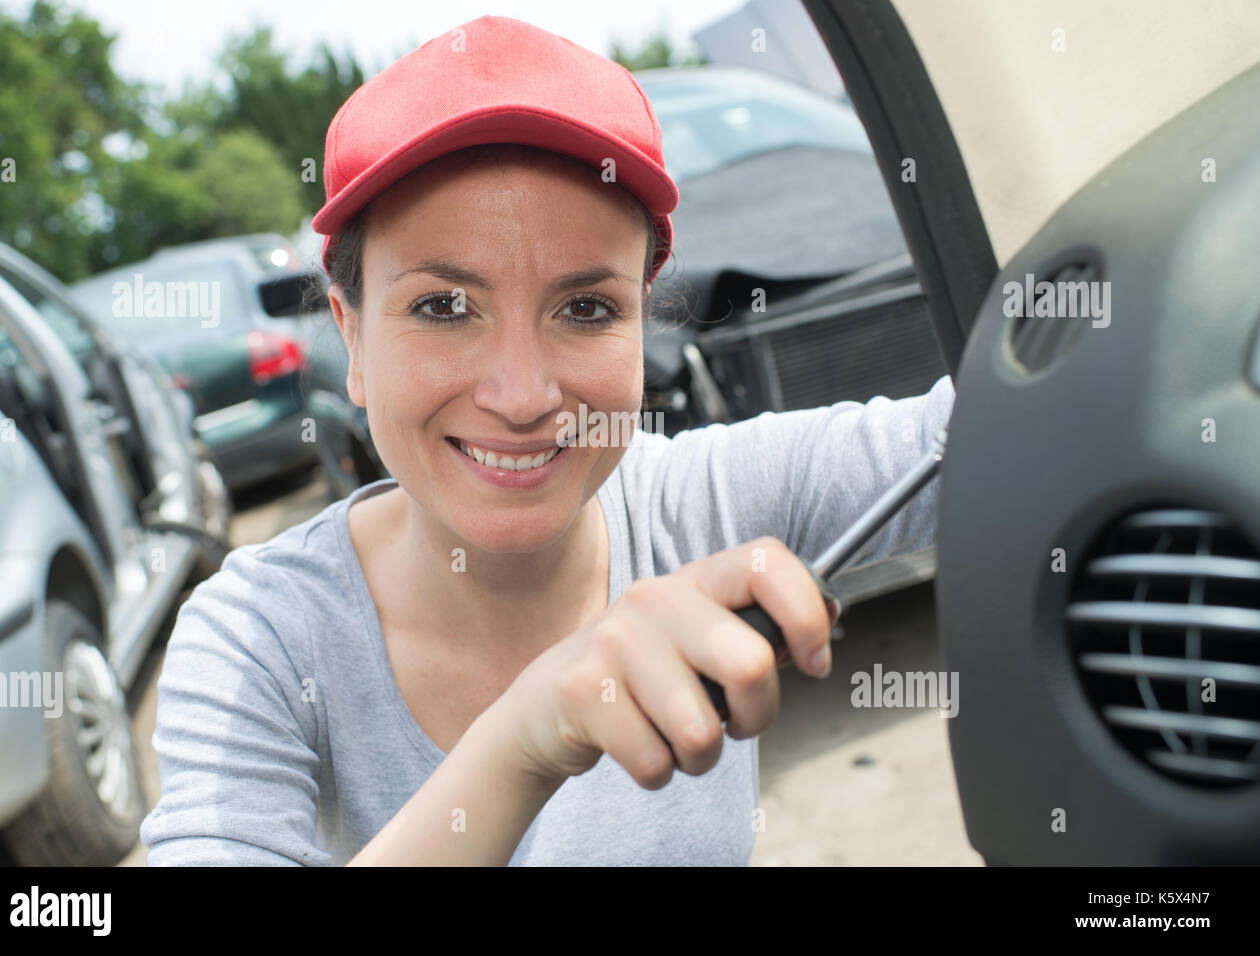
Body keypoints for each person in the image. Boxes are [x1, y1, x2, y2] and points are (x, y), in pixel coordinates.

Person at [140, 14, 955, 866]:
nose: (522, 396)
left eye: (587, 309)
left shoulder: (708, 505)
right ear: (351, 338)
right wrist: (526, 740)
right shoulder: (258, 637)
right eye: (443, 307)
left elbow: (983, 434)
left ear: (646, 322)